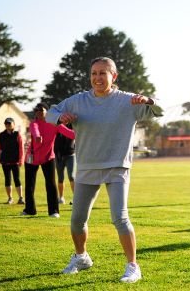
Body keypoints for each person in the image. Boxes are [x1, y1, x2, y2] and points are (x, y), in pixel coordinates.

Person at [46, 56, 162, 283]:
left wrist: (148, 100)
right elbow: (51, 113)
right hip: (87, 167)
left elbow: (159, 110)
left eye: (103, 73)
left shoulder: (128, 101)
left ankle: (132, 266)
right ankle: (81, 257)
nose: (97, 78)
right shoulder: (78, 100)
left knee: (120, 217)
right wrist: (60, 117)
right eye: (94, 73)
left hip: (117, 166)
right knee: (77, 220)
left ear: (113, 76)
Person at [22, 102, 75, 218]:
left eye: (42, 110)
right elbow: (35, 130)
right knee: (29, 185)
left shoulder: (54, 124)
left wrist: (85, 133)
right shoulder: (33, 123)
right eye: (37, 110)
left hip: (48, 157)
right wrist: (36, 137)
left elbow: (70, 134)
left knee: (51, 185)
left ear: (48, 112)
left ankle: (54, 211)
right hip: (32, 158)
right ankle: (29, 209)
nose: (39, 112)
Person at [0, 117, 24, 204]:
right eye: (6, 124)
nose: (8, 125)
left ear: (13, 125)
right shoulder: (1, 135)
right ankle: (10, 198)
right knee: (7, 179)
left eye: (9, 123)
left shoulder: (17, 134)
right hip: (5, 161)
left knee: (17, 179)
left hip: (15, 161)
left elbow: (21, 148)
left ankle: (21, 198)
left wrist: (21, 160)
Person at [54, 123, 76, 205]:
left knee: (72, 176)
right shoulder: (56, 125)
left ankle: (75, 198)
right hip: (59, 155)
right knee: (60, 178)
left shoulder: (72, 125)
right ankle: (61, 197)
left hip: (70, 154)